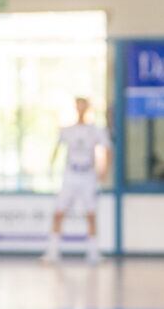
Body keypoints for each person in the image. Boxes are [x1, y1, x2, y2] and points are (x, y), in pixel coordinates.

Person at [42, 97, 112, 264]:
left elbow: (107, 149)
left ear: (88, 108)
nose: (80, 109)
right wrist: (50, 168)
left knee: (91, 214)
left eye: (83, 106)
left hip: (87, 175)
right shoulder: (67, 130)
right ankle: (52, 252)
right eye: (78, 106)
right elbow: (56, 148)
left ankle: (93, 253)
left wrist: (104, 171)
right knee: (59, 212)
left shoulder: (95, 130)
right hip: (70, 175)